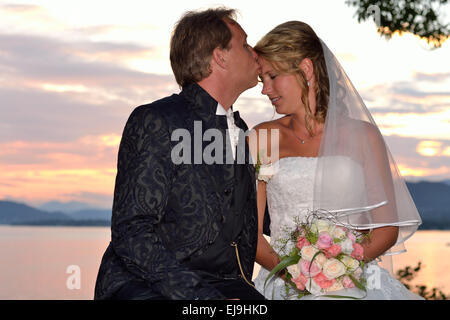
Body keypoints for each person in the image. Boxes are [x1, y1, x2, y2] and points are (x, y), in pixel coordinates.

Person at [94, 7, 265, 300]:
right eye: (246, 45)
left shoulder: (240, 130)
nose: (256, 54)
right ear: (219, 56)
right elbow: (131, 232)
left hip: (228, 286)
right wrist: (201, 298)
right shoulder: (156, 120)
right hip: (147, 288)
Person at [250, 21, 423, 300]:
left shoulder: (363, 136)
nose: (265, 90)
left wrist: (337, 271)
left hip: (355, 279)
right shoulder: (261, 138)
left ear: (306, 69)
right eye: (262, 80)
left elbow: (387, 226)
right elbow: (252, 234)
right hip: (282, 284)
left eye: (272, 76)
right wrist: (294, 276)